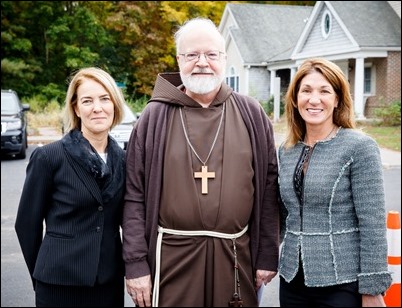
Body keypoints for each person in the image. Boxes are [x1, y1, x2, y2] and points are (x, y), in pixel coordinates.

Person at [122, 17, 279, 307]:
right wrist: (135, 264)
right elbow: (134, 194)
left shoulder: (251, 113)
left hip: (235, 257)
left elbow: (269, 189)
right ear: (179, 60)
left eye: (211, 54)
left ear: (224, 58)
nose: (202, 62)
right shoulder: (154, 117)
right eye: (192, 55)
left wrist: (268, 253)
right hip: (171, 258)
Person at [277, 58, 392, 307]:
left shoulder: (358, 147)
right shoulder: (286, 151)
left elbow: (372, 223)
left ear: (337, 99)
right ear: (295, 99)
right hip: (292, 281)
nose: (314, 99)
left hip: (342, 282)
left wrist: (372, 288)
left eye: (324, 91)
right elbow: (283, 216)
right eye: (306, 90)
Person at [15, 67, 127, 307]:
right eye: (87, 101)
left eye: (104, 98)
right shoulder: (49, 157)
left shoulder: (125, 160)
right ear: (76, 108)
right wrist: (42, 275)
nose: (97, 107)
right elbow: (26, 225)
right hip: (58, 285)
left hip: (108, 284)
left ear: (115, 105)